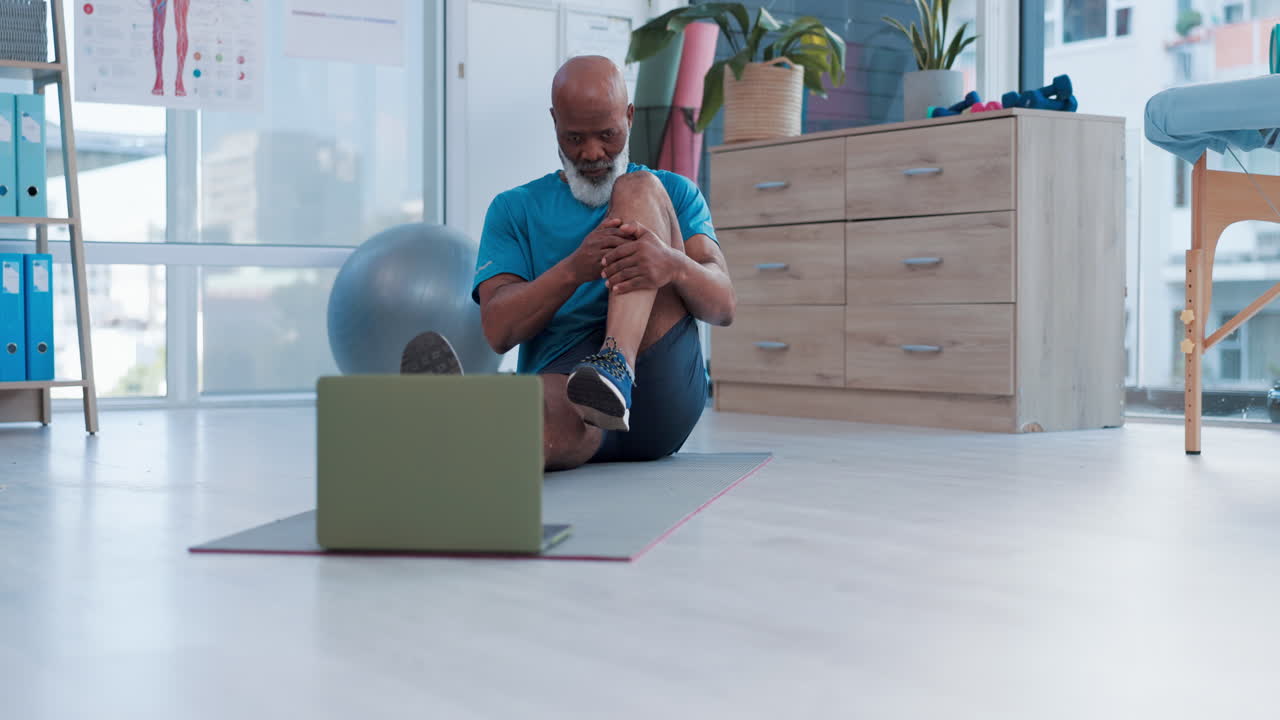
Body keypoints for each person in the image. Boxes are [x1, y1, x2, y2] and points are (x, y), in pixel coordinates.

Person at [402, 55, 735, 471]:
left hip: (659, 387)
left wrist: (673, 264)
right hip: (571, 394)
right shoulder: (514, 208)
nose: (593, 153)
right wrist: (574, 269)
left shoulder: (674, 193)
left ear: (629, 118)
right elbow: (498, 331)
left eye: (607, 135)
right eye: (574, 139)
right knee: (535, 411)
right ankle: (472, 432)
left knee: (638, 186)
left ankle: (617, 364)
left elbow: (724, 306)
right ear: (554, 122)